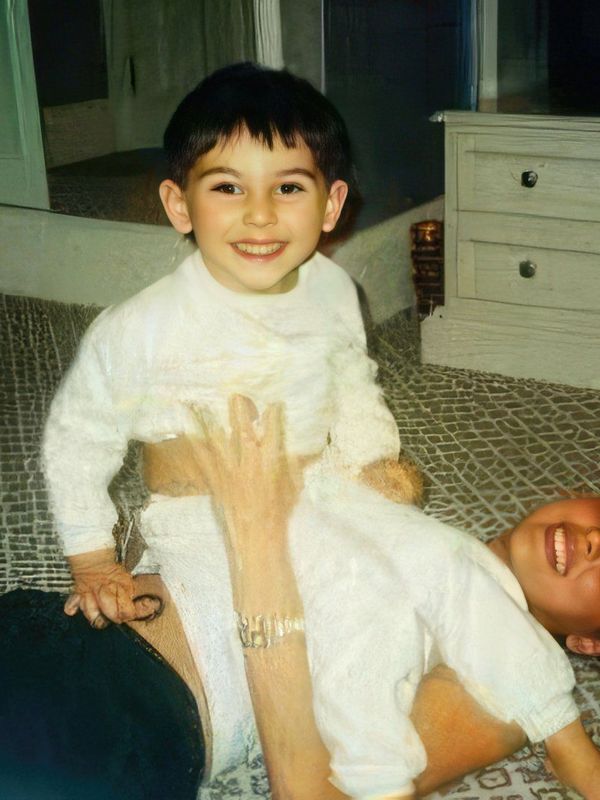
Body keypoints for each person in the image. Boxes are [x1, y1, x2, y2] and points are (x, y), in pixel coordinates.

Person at [41, 62, 600, 798]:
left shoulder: (333, 292)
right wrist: (91, 560)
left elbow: (353, 385)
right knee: (388, 583)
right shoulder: (138, 327)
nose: (260, 215)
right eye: (228, 188)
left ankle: (533, 734)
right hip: (208, 519)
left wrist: (373, 461)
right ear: (179, 204)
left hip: (319, 498)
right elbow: (75, 438)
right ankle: (506, 743)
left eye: (289, 189)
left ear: (331, 204)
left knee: (424, 575)